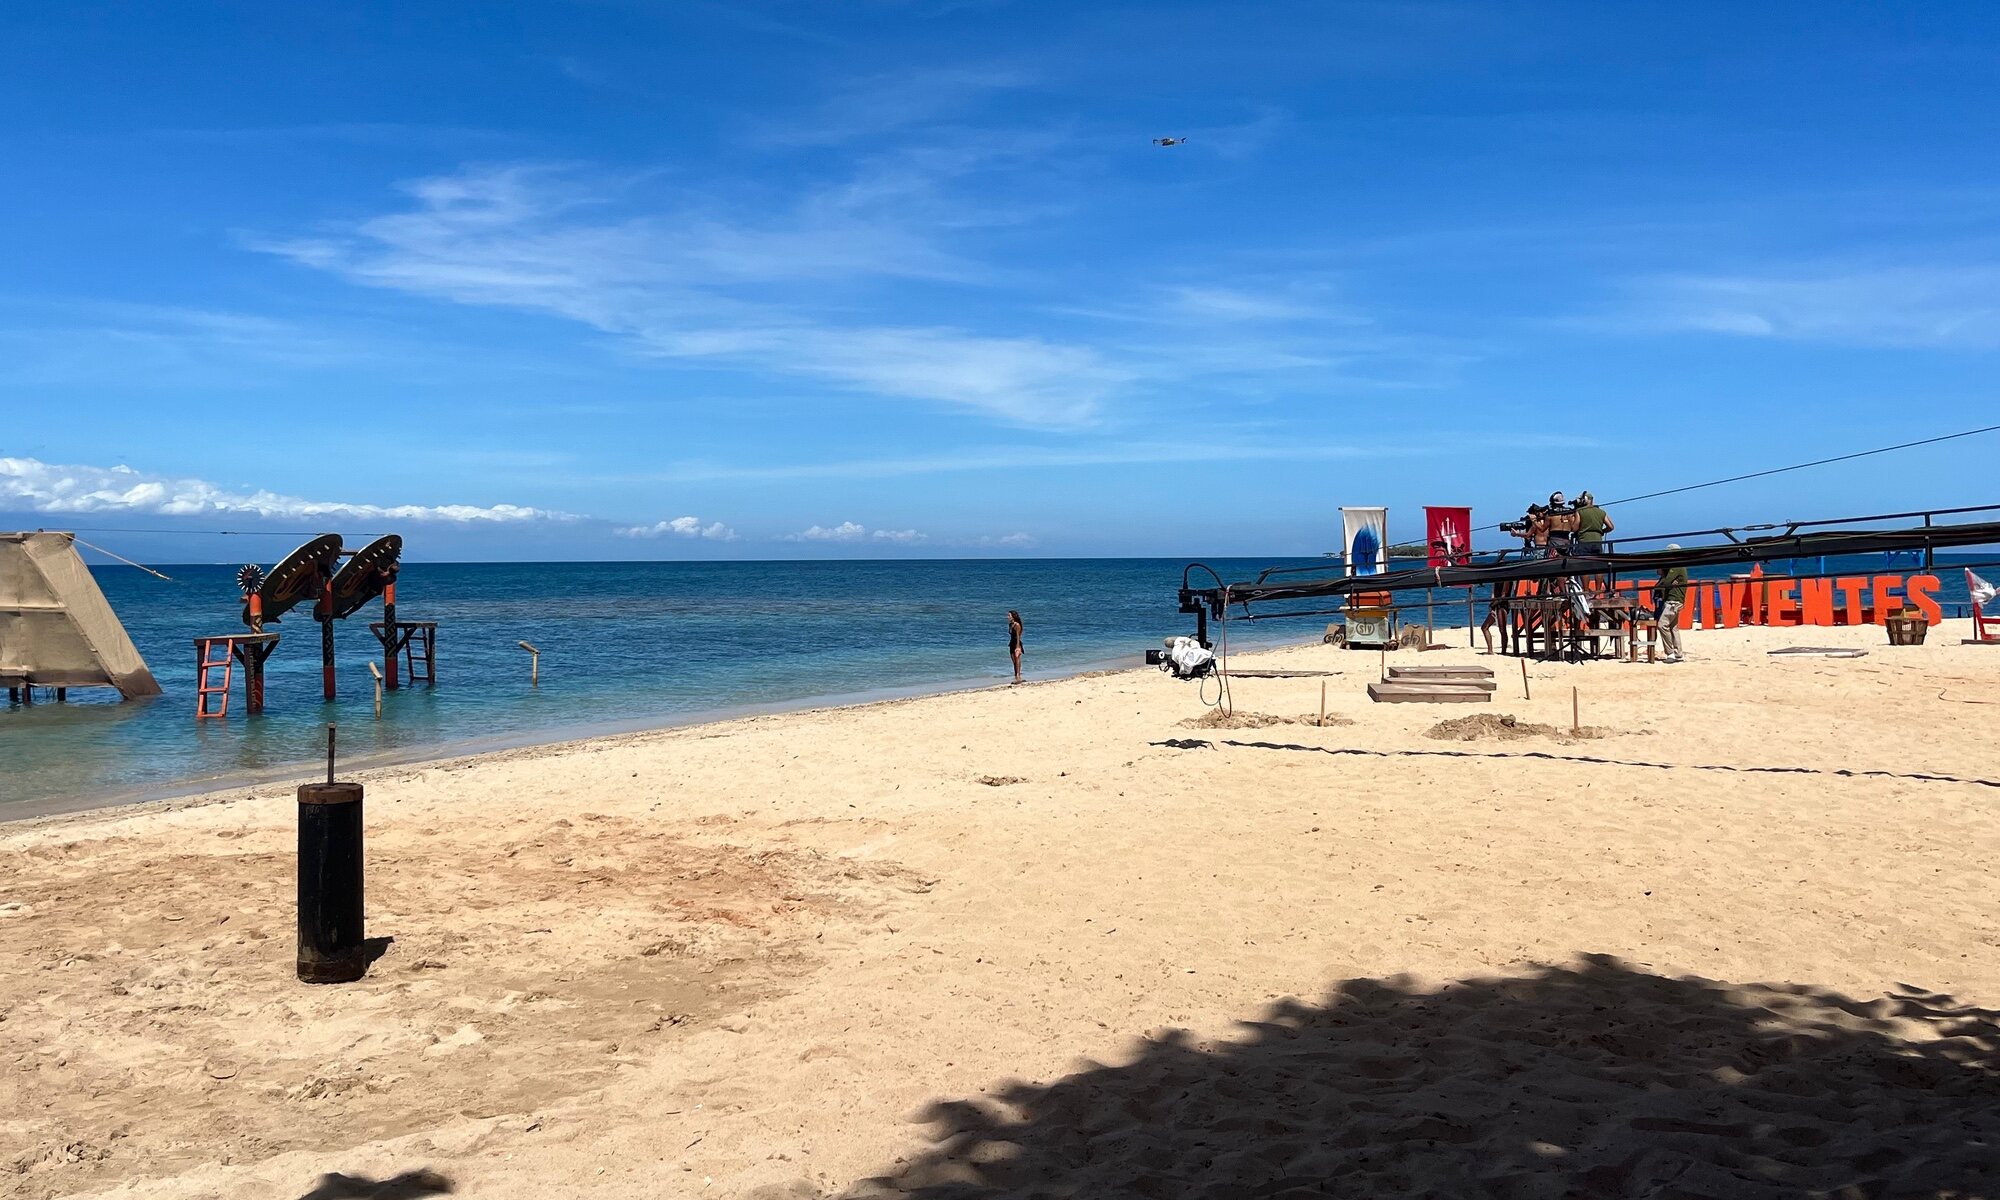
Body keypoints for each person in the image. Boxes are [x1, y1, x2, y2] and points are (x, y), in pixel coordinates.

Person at [1653, 547, 1688, 663]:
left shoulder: (1676, 566)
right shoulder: (1678, 566)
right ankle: (1679, 654)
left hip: (1673, 601)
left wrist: (1666, 579)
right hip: (1677, 600)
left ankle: (1670, 653)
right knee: (1673, 628)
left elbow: (1665, 583)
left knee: (1662, 625)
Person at [1007, 610, 1024, 683]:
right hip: (1011, 643)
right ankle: (1015, 675)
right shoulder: (1010, 624)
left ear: (1013, 616)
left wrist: (1018, 647)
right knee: (1013, 660)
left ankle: (1018, 675)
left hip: (1017, 643)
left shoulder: (1017, 625)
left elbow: (1018, 636)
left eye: (1009, 615)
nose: (1008, 617)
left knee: (1017, 659)